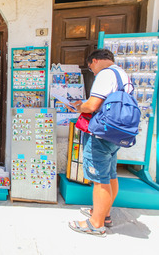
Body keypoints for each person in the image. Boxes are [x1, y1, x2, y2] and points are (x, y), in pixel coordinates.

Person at [68, 49, 133, 237]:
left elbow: (93, 105)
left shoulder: (105, 75)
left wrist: (79, 106)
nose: (93, 72)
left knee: (99, 179)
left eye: (91, 68)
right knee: (111, 175)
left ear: (95, 61)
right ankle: (104, 214)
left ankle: (95, 224)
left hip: (101, 134)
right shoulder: (122, 74)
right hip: (116, 133)